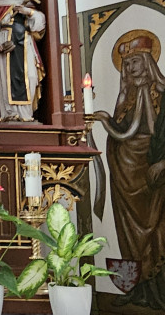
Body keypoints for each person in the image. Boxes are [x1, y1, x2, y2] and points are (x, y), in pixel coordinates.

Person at [94, 33, 165, 309]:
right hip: (125, 174)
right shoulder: (128, 97)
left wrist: (163, 162)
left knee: (156, 229)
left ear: (148, 61)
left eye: (135, 61)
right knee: (129, 232)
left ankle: (159, 290)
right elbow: (123, 132)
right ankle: (138, 289)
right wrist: (104, 119)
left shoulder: (162, 93)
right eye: (127, 63)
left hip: (152, 172)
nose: (130, 68)